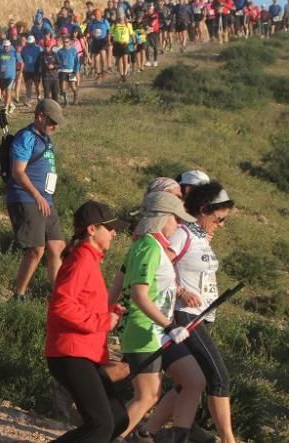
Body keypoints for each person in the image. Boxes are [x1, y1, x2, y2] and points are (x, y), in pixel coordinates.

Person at [144, 183, 238, 443]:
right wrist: (180, 290)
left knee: (187, 382)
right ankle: (229, 440)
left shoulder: (200, 236)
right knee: (219, 378)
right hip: (185, 315)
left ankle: (147, 433)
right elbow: (157, 265)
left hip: (202, 317)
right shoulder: (183, 233)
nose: (221, 225)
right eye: (219, 219)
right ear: (204, 210)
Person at [117, 191, 206, 442]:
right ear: (163, 217)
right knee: (147, 396)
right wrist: (169, 325)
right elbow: (139, 294)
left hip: (157, 331)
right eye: (176, 219)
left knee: (194, 380)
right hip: (145, 329)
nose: (179, 225)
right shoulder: (148, 247)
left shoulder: (154, 246)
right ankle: (107, 435)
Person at [46, 200, 130, 442]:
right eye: (110, 228)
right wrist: (102, 321)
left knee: (117, 419)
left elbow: (80, 302)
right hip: (70, 353)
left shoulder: (90, 260)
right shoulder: (81, 261)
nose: (115, 233)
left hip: (84, 353)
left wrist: (110, 309)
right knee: (102, 425)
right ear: (92, 229)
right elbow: (61, 306)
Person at [7, 99, 65, 300]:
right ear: (40, 116)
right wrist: (36, 195)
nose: (55, 126)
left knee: (56, 245)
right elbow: (18, 171)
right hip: (27, 198)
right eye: (52, 121)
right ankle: (19, 294)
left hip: (46, 199)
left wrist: (44, 196)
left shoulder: (46, 138)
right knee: (36, 250)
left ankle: (58, 295)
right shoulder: (26, 137)